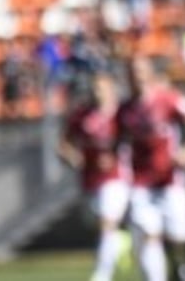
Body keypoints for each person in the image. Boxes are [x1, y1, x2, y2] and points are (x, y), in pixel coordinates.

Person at [118, 57, 185, 281]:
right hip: (141, 183)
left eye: (140, 70)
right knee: (149, 234)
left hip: (170, 180)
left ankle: (184, 267)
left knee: (181, 233)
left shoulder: (169, 99)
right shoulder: (125, 109)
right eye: (132, 71)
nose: (137, 76)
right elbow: (116, 140)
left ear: (149, 73)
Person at [58, 68, 131, 281]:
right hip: (89, 177)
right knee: (96, 222)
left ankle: (102, 275)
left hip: (116, 177)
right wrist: (72, 157)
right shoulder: (81, 115)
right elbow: (63, 144)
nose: (97, 92)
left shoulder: (121, 114)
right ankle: (121, 241)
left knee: (107, 221)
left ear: (111, 90)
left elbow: (133, 139)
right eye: (94, 88)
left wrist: (115, 154)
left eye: (101, 88)